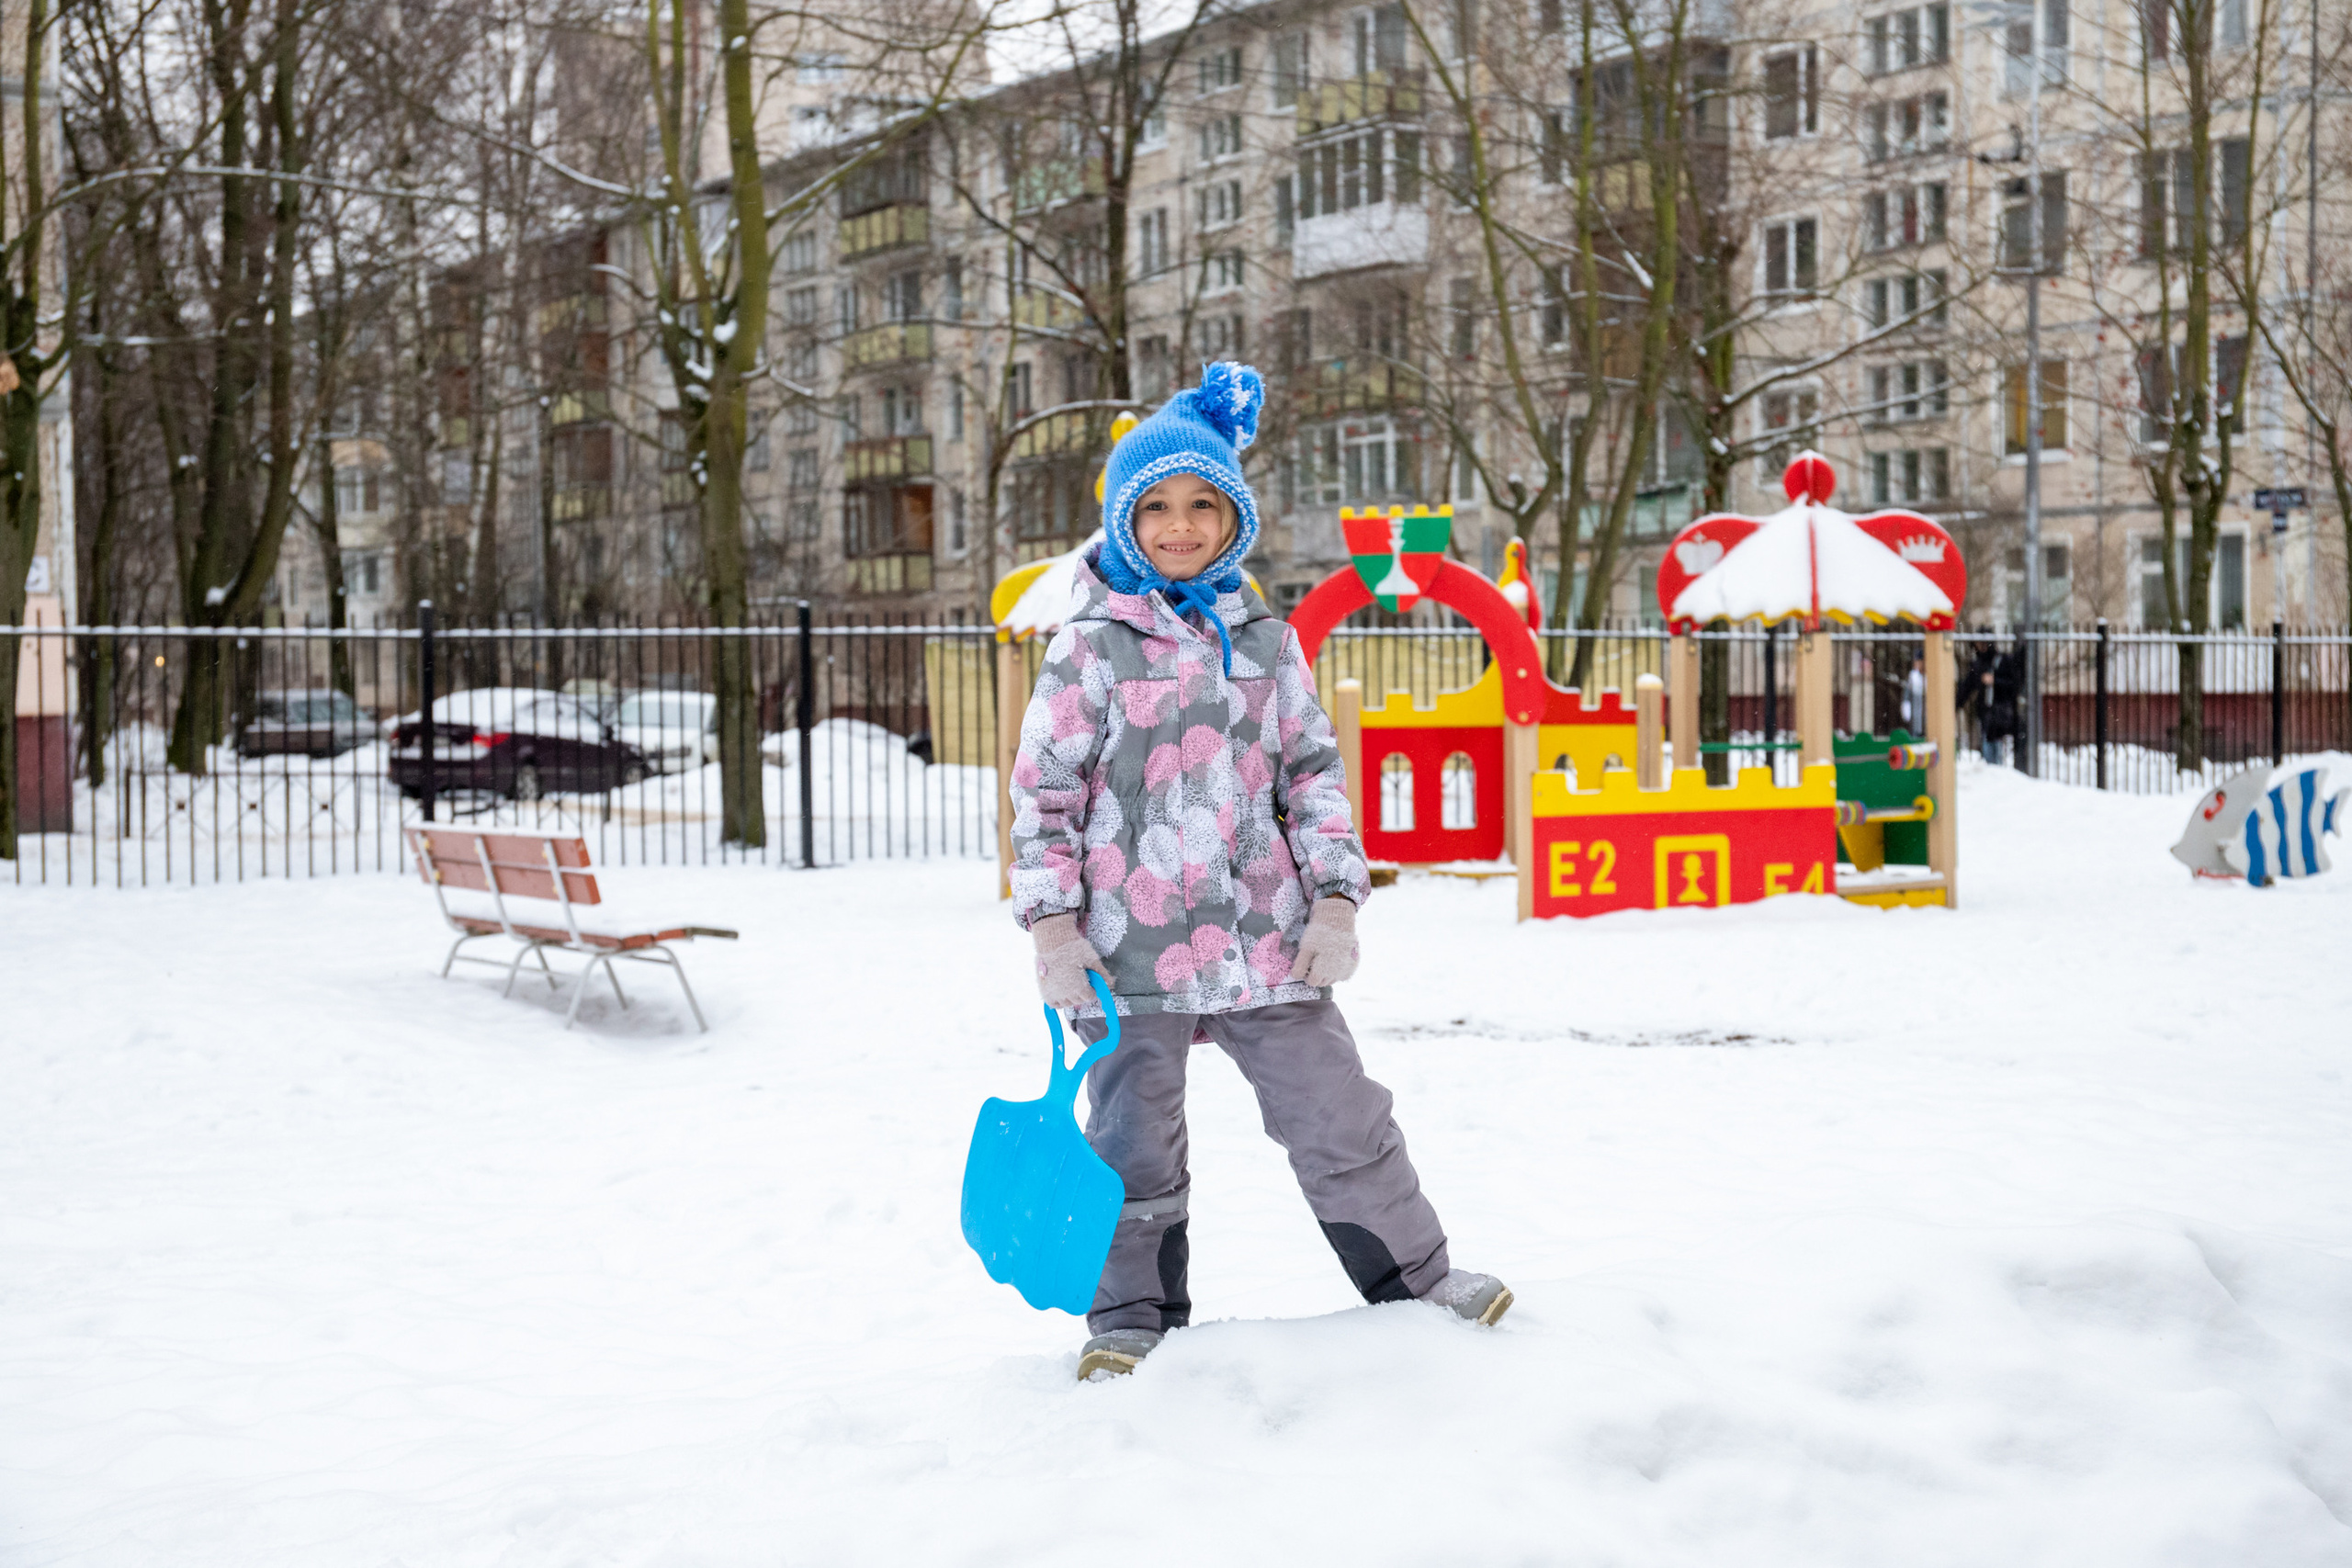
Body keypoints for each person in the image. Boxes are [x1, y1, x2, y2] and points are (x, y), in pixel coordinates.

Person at [1008, 363, 1511, 1382]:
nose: (1179, 526)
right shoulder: (1087, 650)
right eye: (1154, 507)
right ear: (1121, 521)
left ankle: (1415, 1280)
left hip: (1268, 939)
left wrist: (1334, 898)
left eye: (1202, 504)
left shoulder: (1269, 642)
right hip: (1129, 952)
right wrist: (1056, 933)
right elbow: (1045, 799)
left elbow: (1314, 776)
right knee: (1130, 1142)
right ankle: (1132, 1318)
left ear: (1233, 518)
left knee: (1340, 1115)